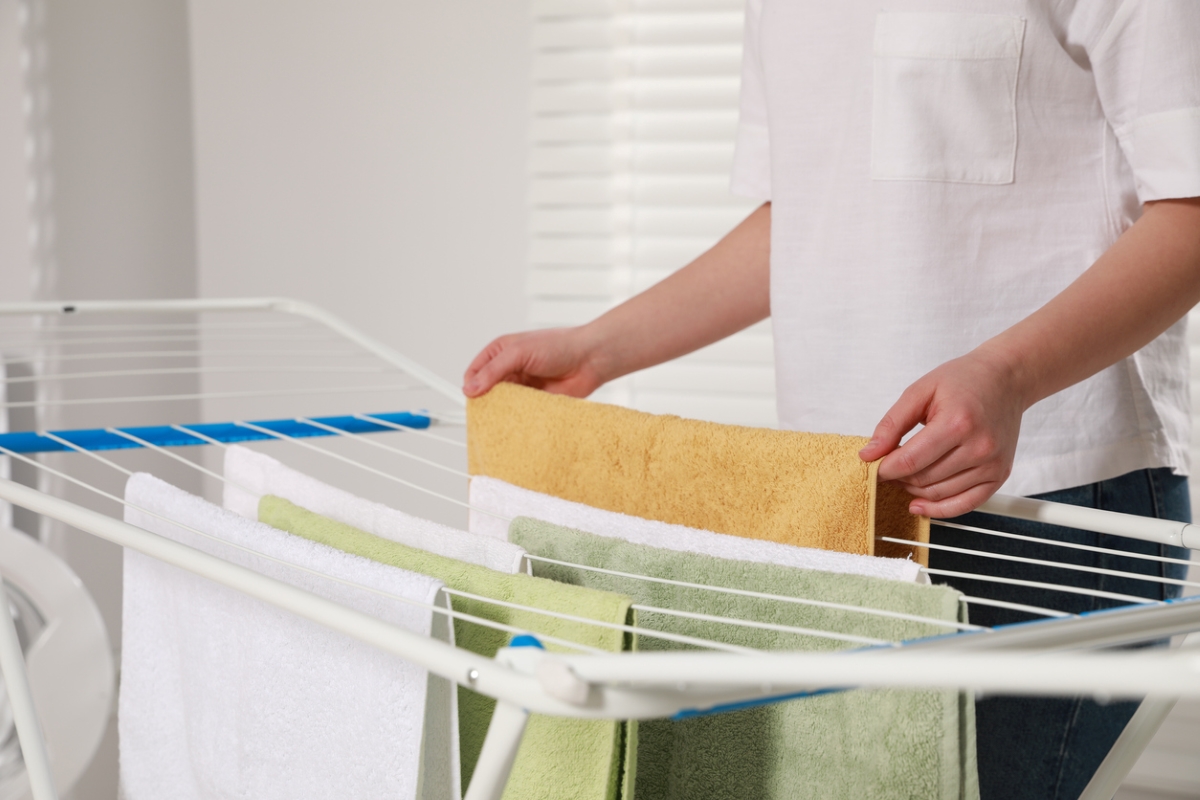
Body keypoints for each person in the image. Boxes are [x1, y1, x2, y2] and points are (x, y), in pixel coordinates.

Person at [464, 2, 1200, 798]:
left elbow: (1190, 208)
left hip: (1050, 504)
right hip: (838, 512)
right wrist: (599, 346)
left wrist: (1009, 376)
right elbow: (805, 216)